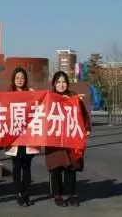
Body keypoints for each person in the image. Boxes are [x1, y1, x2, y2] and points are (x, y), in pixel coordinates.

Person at [45, 71, 91, 207]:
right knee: (56, 167)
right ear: (54, 84)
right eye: (58, 82)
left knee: (70, 167)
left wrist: (86, 129)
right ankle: (58, 195)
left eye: (64, 82)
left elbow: (84, 115)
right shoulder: (49, 98)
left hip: (71, 138)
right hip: (54, 138)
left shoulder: (74, 98)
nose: (61, 85)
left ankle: (69, 195)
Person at [5, 67, 39, 207]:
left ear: (25, 80)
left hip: (28, 137)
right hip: (14, 138)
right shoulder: (8, 95)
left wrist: (35, 96)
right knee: (17, 166)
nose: (19, 80)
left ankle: (26, 193)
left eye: (22, 78)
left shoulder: (30, 93)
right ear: (13, 79)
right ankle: (19, 193)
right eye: (17, 78)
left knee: (27, 167)